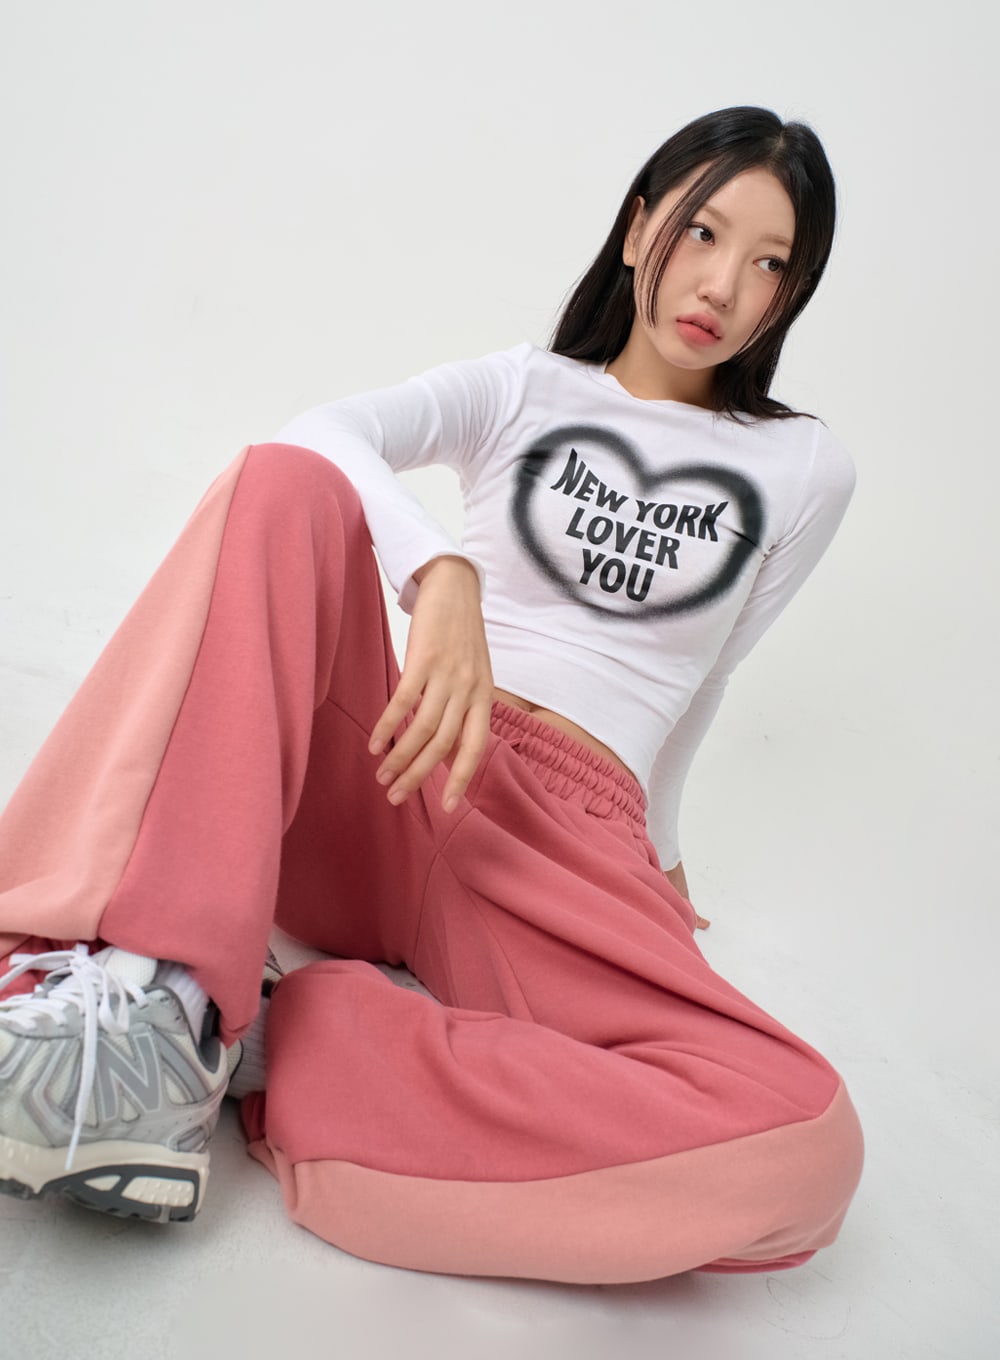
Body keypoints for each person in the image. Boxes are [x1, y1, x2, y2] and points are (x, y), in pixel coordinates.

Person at [0, 106, 864, 1283]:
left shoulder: (805, 467)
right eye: (702, 231)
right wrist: (436, 570)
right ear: (637, 229)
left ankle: (265, 1038)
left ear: (789, 294)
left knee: (803, 1142)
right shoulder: (523, 387)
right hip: (407, 756)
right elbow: (321, 433)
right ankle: (150, 996)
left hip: (567, 851)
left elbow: (709, 674)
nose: (721, 283)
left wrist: (658, 863)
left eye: (768, 263)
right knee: (284, 484)